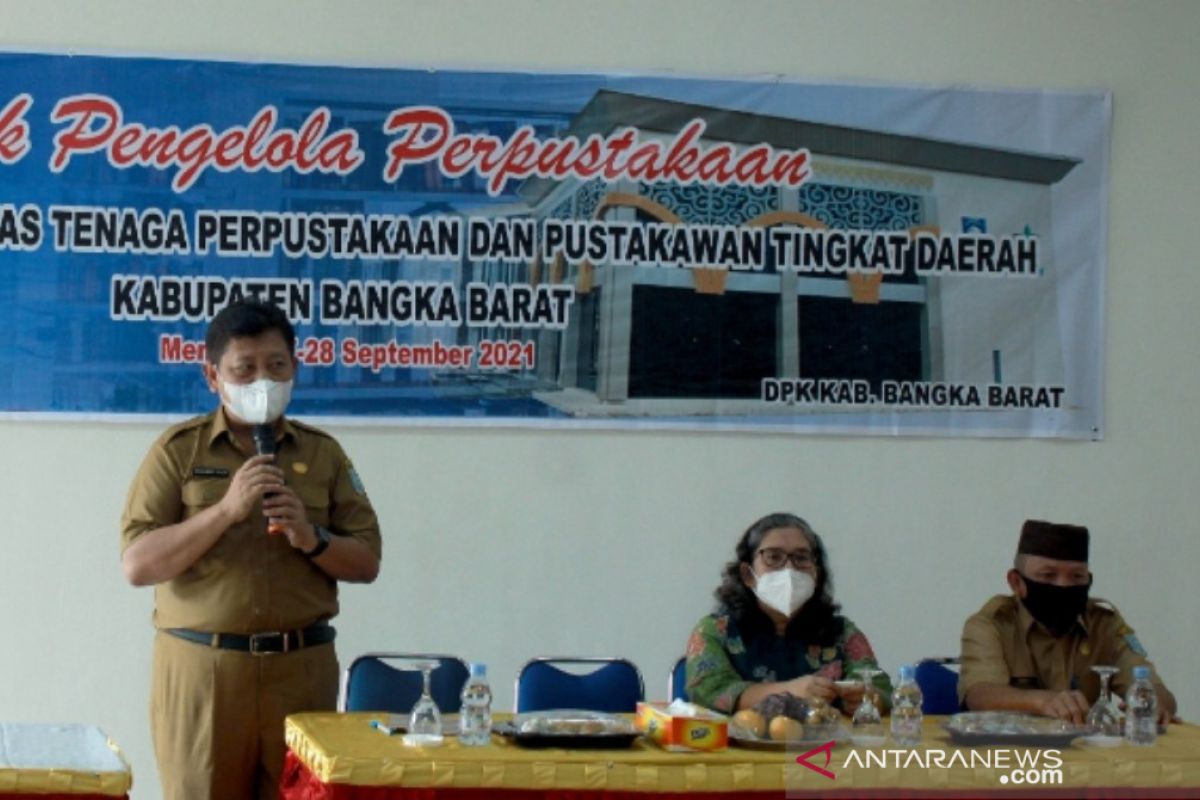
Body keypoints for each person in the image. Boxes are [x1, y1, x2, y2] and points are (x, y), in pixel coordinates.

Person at [120, 300, 382, 800]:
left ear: (295, 369)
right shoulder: (178, 451)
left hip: (300, 670)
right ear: (213, 376)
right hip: (204, 674)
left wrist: (312, 538)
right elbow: (137, 564)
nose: (263, 380)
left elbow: (367, 561)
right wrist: (224, 511)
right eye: (244, 368)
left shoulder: (322, 454)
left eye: (276, 366)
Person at [959, 520, 1175, 726]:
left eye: (1076, 577)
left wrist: (1155, 704)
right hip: (1012, 753)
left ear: (1088, 581)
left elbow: (1153, 687)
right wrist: (1042, 702)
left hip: (1085, 752)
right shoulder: (990, 624)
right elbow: (980, 694)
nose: (1063, 586)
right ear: (1017, 583)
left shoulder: (1105, 625)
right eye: (1048, 575)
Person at [685, 512, 892, 716]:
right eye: (773, 557)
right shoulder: (715, 631)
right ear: (748, 574)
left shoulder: (842, 633)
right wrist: (790, 692)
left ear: (816, 573)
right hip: (742, 746)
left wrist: (867, 698)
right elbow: (709, 692)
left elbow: (882, 689)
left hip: (826, 747)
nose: (789, 569)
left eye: (801, 558)